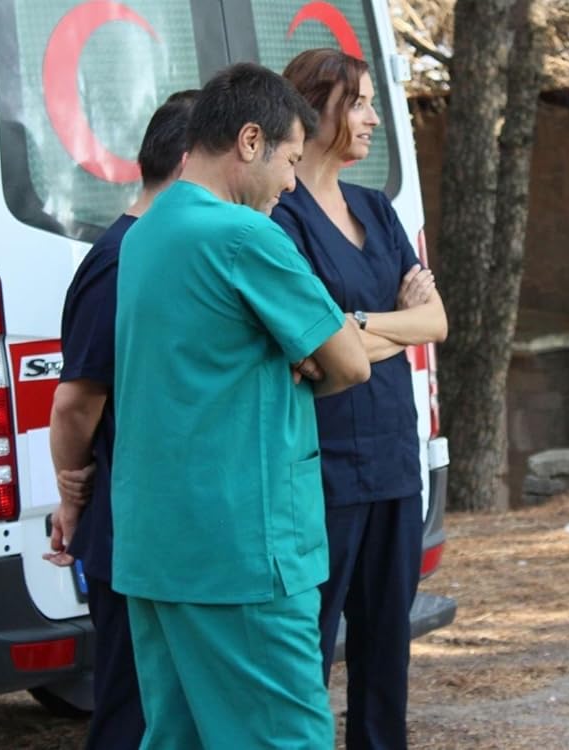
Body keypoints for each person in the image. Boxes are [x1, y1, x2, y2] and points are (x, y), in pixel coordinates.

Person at [110, 62, 370, 748]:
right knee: (287, 737)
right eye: (290, 161)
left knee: (180, 737)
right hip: (243, 550)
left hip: (157, 547)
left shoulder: (143, 233)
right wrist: (303, 362)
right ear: (250, 141)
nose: (291, 184)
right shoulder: (244, 235)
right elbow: (351, 361)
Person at [273, 48, 447, 750]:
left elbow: (435, 322)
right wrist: (388, 326)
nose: (375, 118)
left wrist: (357, 327)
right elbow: (311, 349)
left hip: (393, 462)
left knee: (386, 650)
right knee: (307, 650)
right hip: (322, 470)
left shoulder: (376, 207)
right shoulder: (281, 217)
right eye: (362, 103)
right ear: (316, 110)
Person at [46, 89, 198, 750]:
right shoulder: (120, 259)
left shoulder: (163, 250)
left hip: (162, 531)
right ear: (191, 162)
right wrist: (72, 490)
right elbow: (76, 402)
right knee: (130, 714)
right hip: (126, 532)